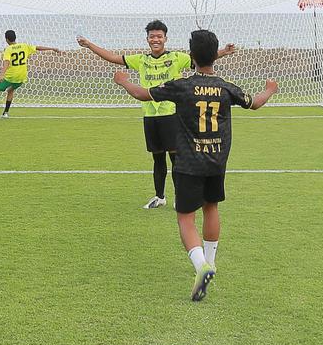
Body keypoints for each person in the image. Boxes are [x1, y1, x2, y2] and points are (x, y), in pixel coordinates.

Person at [114, 29, 279, 302]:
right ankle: (211, 261)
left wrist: (123, 81)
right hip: (217, 161)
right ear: (215, 55)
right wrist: (270, 89)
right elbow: (255, 103)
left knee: (185, 217)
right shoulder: (226, 87)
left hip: (189, 162)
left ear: (191, 55)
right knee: (211, 207)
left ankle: (201, 265)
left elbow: (143, 95)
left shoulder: (182, 85)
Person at [79, 20, 237, 209]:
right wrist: (89, 45)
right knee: (157, 158)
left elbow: (201, 59)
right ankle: (159, 196)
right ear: (147, 39)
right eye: (152, 36)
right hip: (150, 115)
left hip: (171, 115)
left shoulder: (177, 58)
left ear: (165, 38)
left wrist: (223, 52)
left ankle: (181, 196)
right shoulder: (141, 60)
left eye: (159, 36)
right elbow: (112, 57)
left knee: (176, 158)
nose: (156, 39)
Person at [0, 30, 63, 120]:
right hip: (22, 76)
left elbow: (6, 62)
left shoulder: (8, 49)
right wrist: (52, 48)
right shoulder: (24, 46)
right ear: (15, 37)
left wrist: (1, 75)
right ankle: (5, 113)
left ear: (6, 39)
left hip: (10, 76)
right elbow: (38, 48)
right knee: (10, 91)